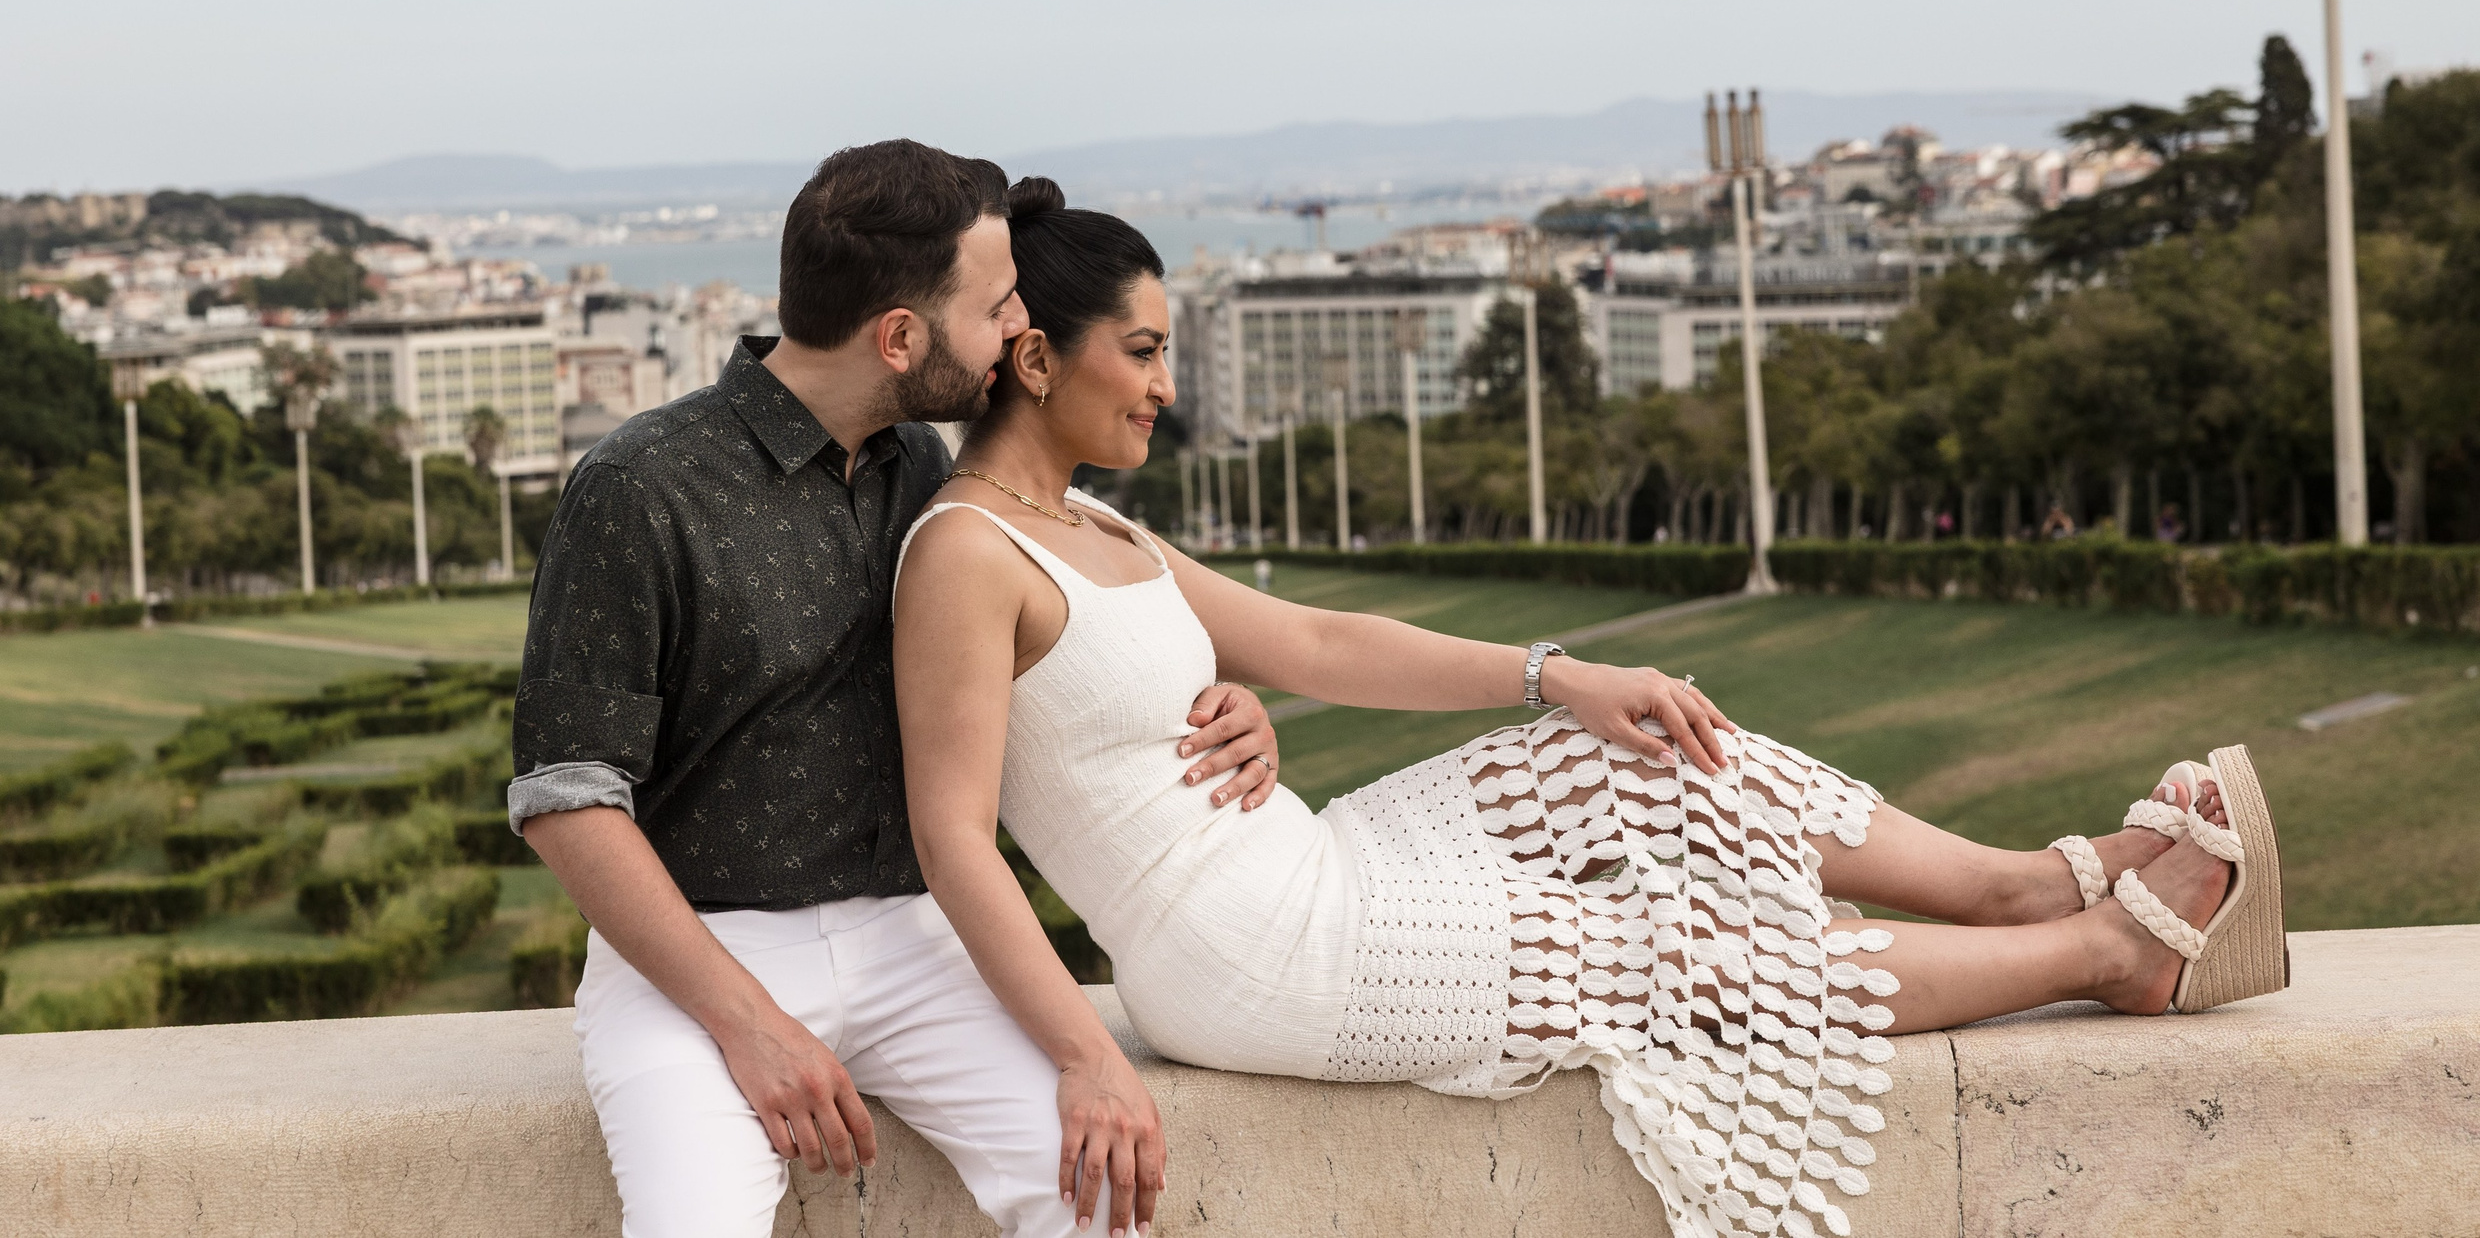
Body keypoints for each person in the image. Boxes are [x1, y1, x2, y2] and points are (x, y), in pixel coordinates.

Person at [892, 179, 2287, 1238]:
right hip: (1254, 950)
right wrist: (1084, 1054)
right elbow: (957, 838)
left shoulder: (1088, 520)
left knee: (1621, 749)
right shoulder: (967, 551)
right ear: (1036, 360)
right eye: (1139, 351)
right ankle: (2108, 951)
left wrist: (1560, 671)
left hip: (1309, 859)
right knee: (1666, 953)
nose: (1164, 383)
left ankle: (2020, 884)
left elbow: (1312, 635)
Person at [508, 142, 1286, 1238]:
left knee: (1105, 1205)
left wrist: (1211, 705)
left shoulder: (931, 472)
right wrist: (748, 1023)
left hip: (918, 945)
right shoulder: (637, 489)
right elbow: (566, 798)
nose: (1020, 329)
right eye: (997, 305)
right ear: (901, 337)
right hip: (698, 961)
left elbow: (1088, 629)